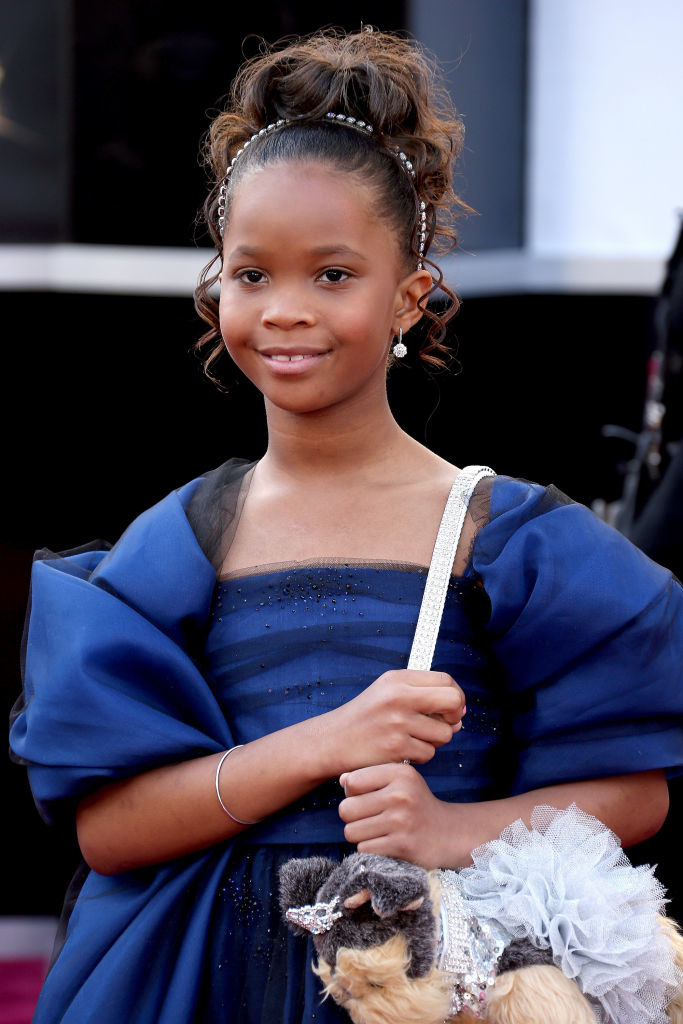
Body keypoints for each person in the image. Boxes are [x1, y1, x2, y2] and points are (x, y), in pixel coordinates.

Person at [10, 27, 683, 1024]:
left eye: (331, 275)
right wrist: (327, 739)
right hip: (206, 978)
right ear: (215, 291)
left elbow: (633, 790)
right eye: (252, 275)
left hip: (426, 986)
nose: (284, 310)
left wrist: (450, 827)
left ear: (410, 296)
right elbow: (110, 830)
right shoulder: (181, 542)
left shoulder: (501, 537)